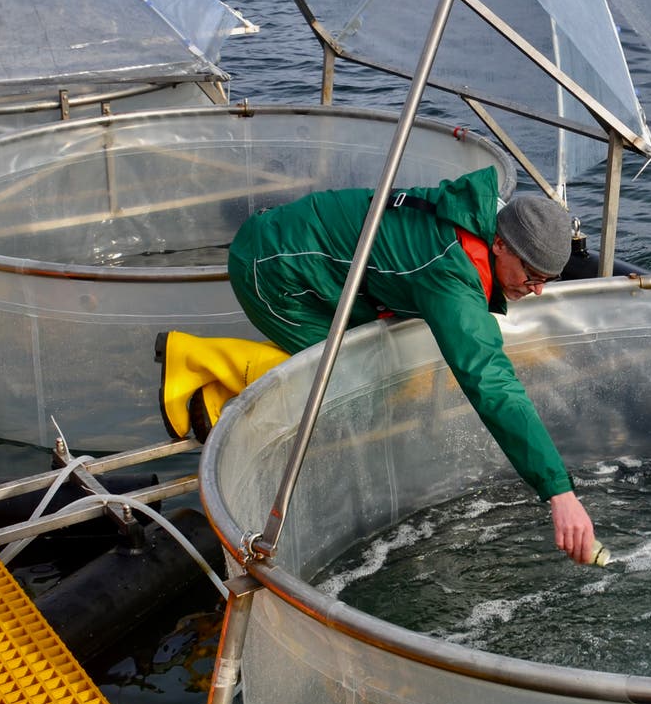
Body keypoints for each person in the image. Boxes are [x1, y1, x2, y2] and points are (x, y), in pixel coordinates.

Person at [159, 166, 597, 563]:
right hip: (273, 267)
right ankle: (194, 359)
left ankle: (220, 388)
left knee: (367, 368)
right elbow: (491, 383)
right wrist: (558, 491)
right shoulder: (451, 273)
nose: (537, 290)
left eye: (547, 280)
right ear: (500, 244)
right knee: (340, 381)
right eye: (533, 275)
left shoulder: (478, 219)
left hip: (311, 257)